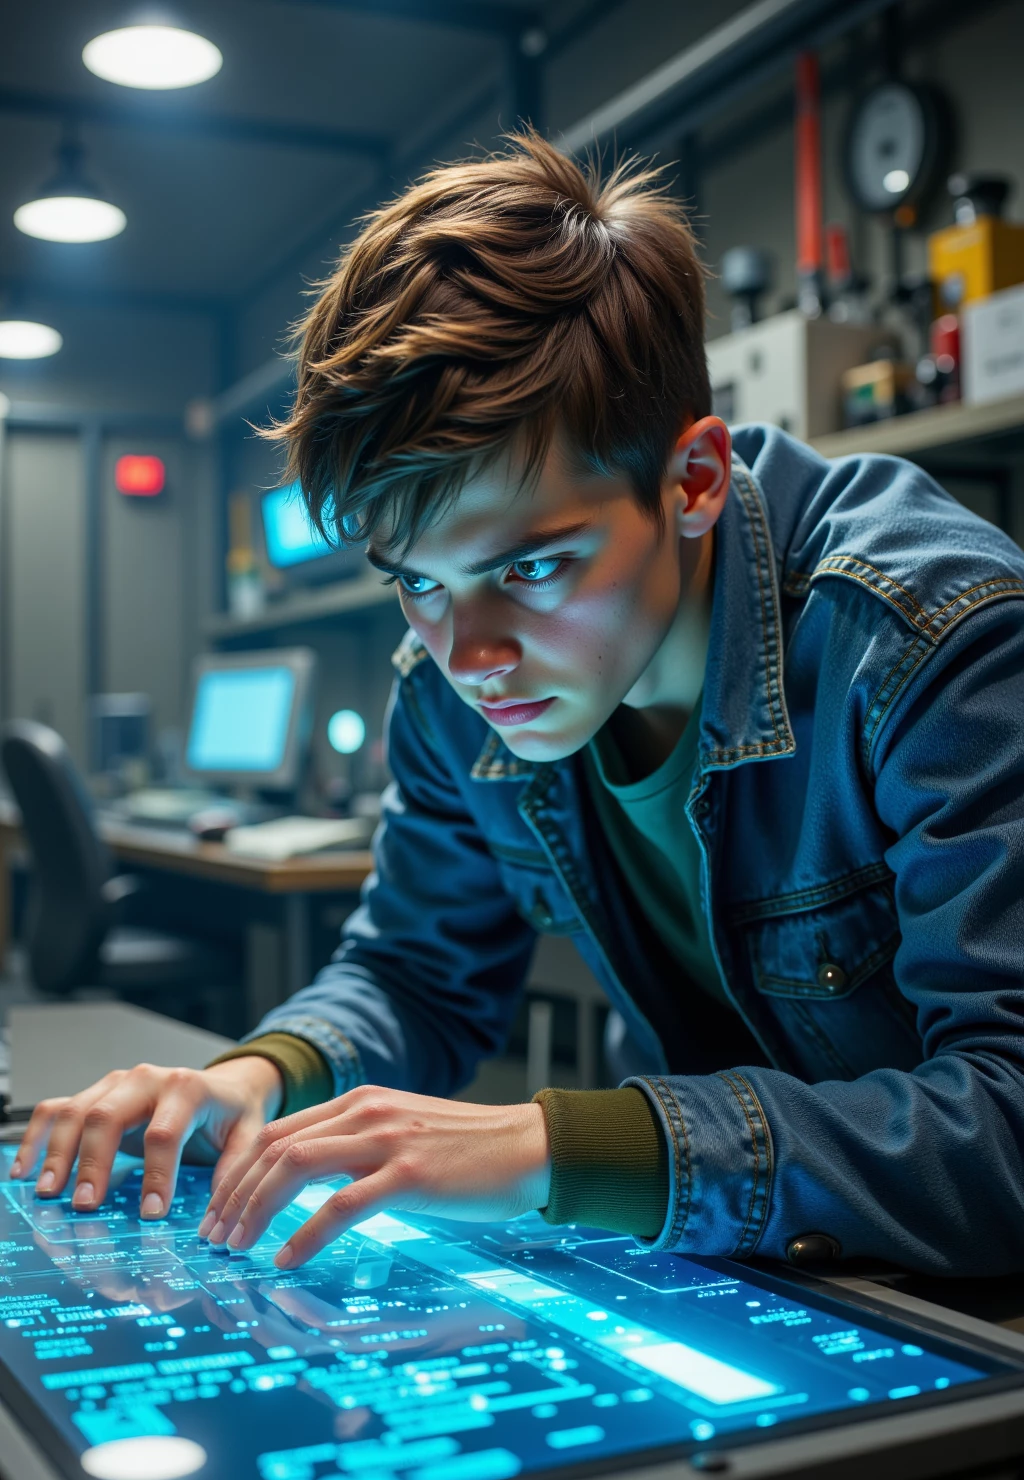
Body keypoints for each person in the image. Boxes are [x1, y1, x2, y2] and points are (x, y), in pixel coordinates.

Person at [12, 133, 1024, 1277]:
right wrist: (256, 1074)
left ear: (691, 481)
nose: (470, 655)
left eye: (531, 568)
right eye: (419, 584)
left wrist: (555, 1144)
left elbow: (1010, 1118)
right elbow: (414, 972)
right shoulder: (447, 695)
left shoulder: (928, 637)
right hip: (747, 1257)